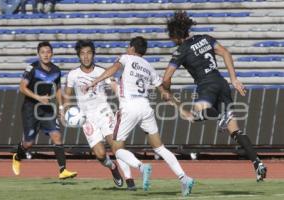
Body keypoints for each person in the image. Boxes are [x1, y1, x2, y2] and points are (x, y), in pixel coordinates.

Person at [162, 11, 267, 182]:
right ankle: (258, 163)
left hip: (207, 86)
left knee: (192, 116)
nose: (170, 39)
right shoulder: (205, 38)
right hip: (222, 84)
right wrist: (234, 79)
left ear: (176, 35)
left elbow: (166, 77)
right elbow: (226, 52)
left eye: (171, 36)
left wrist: (167, 92)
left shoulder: (181, 51)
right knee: (235, 131)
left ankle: (220, 116)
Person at [88, 36, 194, 196]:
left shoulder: (126, 58)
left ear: (131, 48)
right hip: (145, 107)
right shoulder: (149, 67)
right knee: (159, 147)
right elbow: (164, 92)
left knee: (117, 148)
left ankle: (141, 167)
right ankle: (184, 177)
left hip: (129, 106)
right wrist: (180, 107)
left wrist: (95, 81)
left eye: (128, 47)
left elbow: (113, 69)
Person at [63, 40, 136, 190]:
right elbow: (67, 95)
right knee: (101, 155)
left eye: (89, 53)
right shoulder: (73, 75)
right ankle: (113, 167)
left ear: (93, 54)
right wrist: (63, 111)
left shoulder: (101, 72)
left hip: (104, 112)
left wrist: (124, 102)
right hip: (87, 119)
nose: (86, 56)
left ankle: (130, 180)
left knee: (116, 146)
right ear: (78, 56)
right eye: (82, 53)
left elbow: (115, 87)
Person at [12, 41, 77, 179]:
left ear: (52, 53)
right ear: (38, 54)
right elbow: (22, 87)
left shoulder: (56, 70)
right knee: (28, 143)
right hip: (30, 109)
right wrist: (38, 97)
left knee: (57, 136)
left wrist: (60, 107)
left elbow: (58, 89)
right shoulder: (32, 68)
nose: (46, 55)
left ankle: (63, 170)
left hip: (46, 110)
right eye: (43, 52)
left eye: (48, 52)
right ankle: (17, 156)